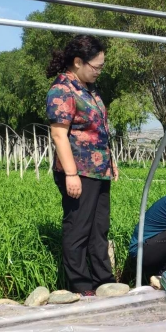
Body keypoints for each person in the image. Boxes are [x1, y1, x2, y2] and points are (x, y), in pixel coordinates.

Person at [46, 34, 118, 297]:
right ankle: (81, 286)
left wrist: (110, 162)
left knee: (99, 229)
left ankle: (104, 281)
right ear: (78, 62)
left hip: (99, 171)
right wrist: (71, 174)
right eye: (96, 66)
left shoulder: (89, 90)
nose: (99, 71)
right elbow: (59, 135)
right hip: (78, 172)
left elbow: (98, 131)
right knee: (78, 229)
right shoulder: (62, 90)